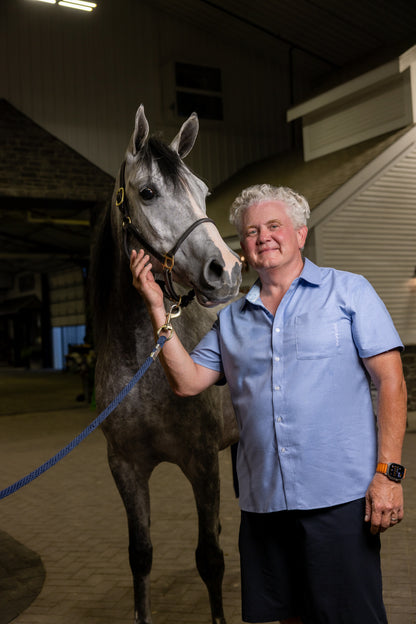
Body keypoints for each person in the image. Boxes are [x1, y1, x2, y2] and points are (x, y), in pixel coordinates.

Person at [130, 184, 407, 624]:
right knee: (288, 618)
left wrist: (389, 475)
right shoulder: (231, 321)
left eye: (274, 226)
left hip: (339, 501)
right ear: (243, 248)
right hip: (265, 505)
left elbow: (391, 382)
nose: (263, 237)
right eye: (251, 232)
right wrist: (156, 306)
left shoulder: (349, 292)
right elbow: (185, 382)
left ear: (300, 232)